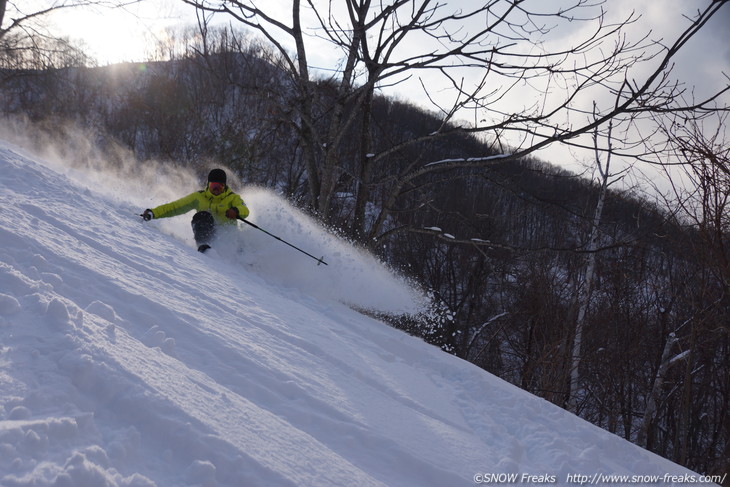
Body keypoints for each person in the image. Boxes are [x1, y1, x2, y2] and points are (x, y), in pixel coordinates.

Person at [141, 168, 249, 253]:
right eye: (213, 186)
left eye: (219, 187)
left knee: (242, 243)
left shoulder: (232, 198)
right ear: (208, 185)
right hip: (208, 234)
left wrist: (236, 211)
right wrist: (153, 213)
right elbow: (175, 207)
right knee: (202, 216)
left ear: (224, 186)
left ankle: (248, 265)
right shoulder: (199, 197)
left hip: (228, 238)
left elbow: (245, 210)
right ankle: (204, 247)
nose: (216, 190)